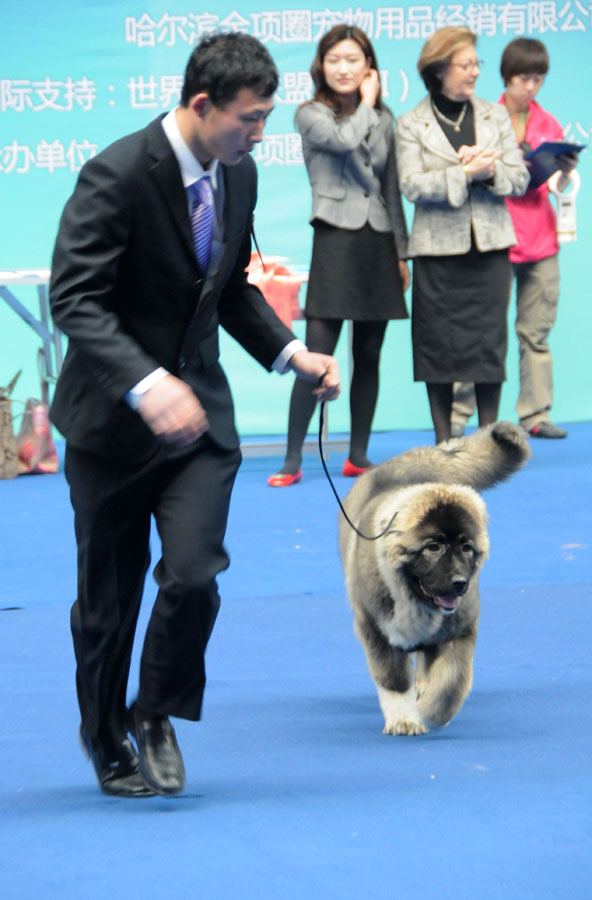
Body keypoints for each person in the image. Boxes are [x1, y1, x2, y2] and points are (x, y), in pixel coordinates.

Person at [49, 32, 341, 798]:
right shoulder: (115, 173)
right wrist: (146, 384)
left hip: (201, 423)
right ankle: (106, 736)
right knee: (108, 608)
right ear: (203, 104)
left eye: (267, 117)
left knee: (195, 575)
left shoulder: (232, 176)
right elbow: (75, 299)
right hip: (113, 426)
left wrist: (289, 354)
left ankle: (156, 712)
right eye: (250, 118)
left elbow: (232, 285)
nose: (259, 134)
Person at [267, 25, 409, 487]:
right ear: (321, 67)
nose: (344, 68)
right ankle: (292, 460)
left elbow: (390, 185)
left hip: (378, 241)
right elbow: (346, 141)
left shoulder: (385, 118)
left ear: (368, 66)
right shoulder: (310, 114)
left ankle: (358, 455)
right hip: (334, 238)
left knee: (369, 353)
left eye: (354, 59)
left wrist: (402, 253)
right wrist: (367, 104)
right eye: (336, 60)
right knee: (317, 353)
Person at [395, 26, 529, 444]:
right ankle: (444, 444)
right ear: (439, 69)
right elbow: (412, 185)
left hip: (489, 249)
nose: (474, 72)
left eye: (476, 64)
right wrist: (462, 173)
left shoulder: (493, 115)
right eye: (465, 64)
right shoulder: (411, 123)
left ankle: (489, 440)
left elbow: (520, 177)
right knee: (437, 348)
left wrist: (489, 173)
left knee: (489, 348)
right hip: (438, 252)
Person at [450, 37, 579, 440]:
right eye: (524, 78)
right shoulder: (484, 118)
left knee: (536, 330)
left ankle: (536, 414)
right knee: (482, 329)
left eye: (538, 79)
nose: (531, 87)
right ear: (507, 77)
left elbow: (557, 183)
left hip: (541, 238)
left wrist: (564, 169)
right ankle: (457, 415)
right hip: (496, 234)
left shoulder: (549, 122)